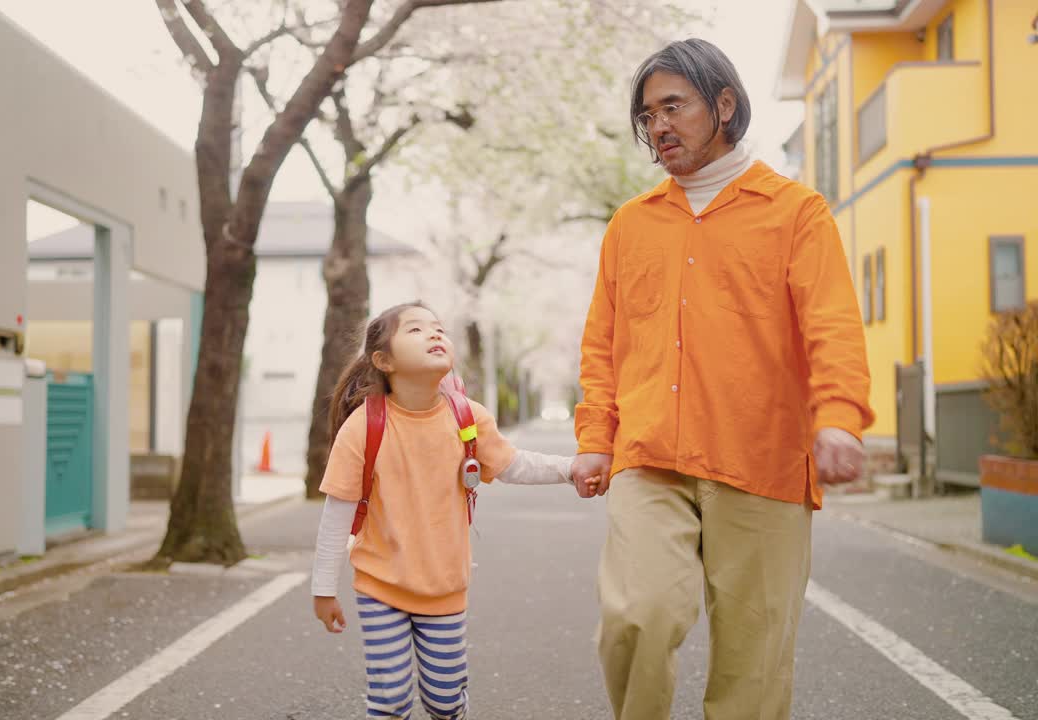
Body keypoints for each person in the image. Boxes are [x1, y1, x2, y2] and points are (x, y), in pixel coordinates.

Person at [569, 39, 875, 720]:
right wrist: (596, 436)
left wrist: (838, 418)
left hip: (762, 458)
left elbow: (832, 325)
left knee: (754, 665)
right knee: (636, 618)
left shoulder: (797, 213)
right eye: (648, 115)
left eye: (673, 106)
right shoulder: (631, 225)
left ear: (725, 105)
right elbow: (602, 345)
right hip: (649, 457)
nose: (659, 127)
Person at [311, 302, 588, 720]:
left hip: (445, 586)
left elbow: (513, 465)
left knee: (443, 701)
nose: (435, 334)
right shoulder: (364, 426)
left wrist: (570, 469)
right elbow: (337, 513)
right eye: (416, 330)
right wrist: (323, 589)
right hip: (379, 583)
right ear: (383, 360)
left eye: (439, 329)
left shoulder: (467, 417)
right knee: (390, 702)